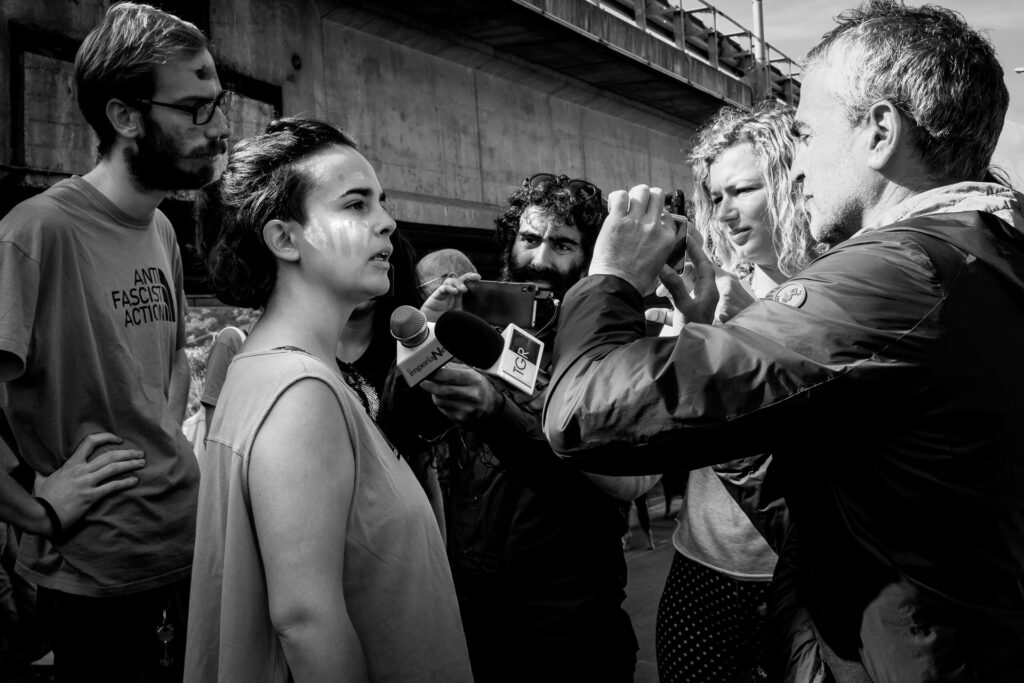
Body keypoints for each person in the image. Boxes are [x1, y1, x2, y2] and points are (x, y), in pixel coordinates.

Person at [543, 2, 1024, 680]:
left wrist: (610, 279)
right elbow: (853, 505)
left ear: (880, 131)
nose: (796, 167)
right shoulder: (982, 252)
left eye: (805, 131)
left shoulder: (898, 274)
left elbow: (586, 412)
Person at [185, 117, 472, 682]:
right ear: (285, 239)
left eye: (381, 203)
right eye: (356, 205)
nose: (387, 223)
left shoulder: (272, 369)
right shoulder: (301, 393)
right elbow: (305, 620)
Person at [0, 3, 228, 679]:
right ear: (126, 117)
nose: (219, 131)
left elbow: (173, 363)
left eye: (218, 105)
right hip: (96, 579)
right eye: (196, 109)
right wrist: (39, 509)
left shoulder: (159, 229)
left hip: (183, 550)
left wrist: (162, 433)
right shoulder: (36, 233)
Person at [383, 174, 653, 683]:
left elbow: (615, 490)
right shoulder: (470, 324)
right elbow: (400, 430)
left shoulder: (613, 346)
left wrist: (499, 415)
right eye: (529, 239)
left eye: (563, 244)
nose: (541, 259)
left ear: (591, 257)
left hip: (570, 634)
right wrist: (422, 346)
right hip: (471, 623)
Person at [652, 101, 818, 683]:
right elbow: (665, 438)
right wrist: (686, 343)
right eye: (714, 196)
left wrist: (755, 336)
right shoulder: (704, 296)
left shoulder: (842, 290)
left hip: (815, 579)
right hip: (706, 571)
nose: (723, 213)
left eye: (742, 190)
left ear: (792, 184)